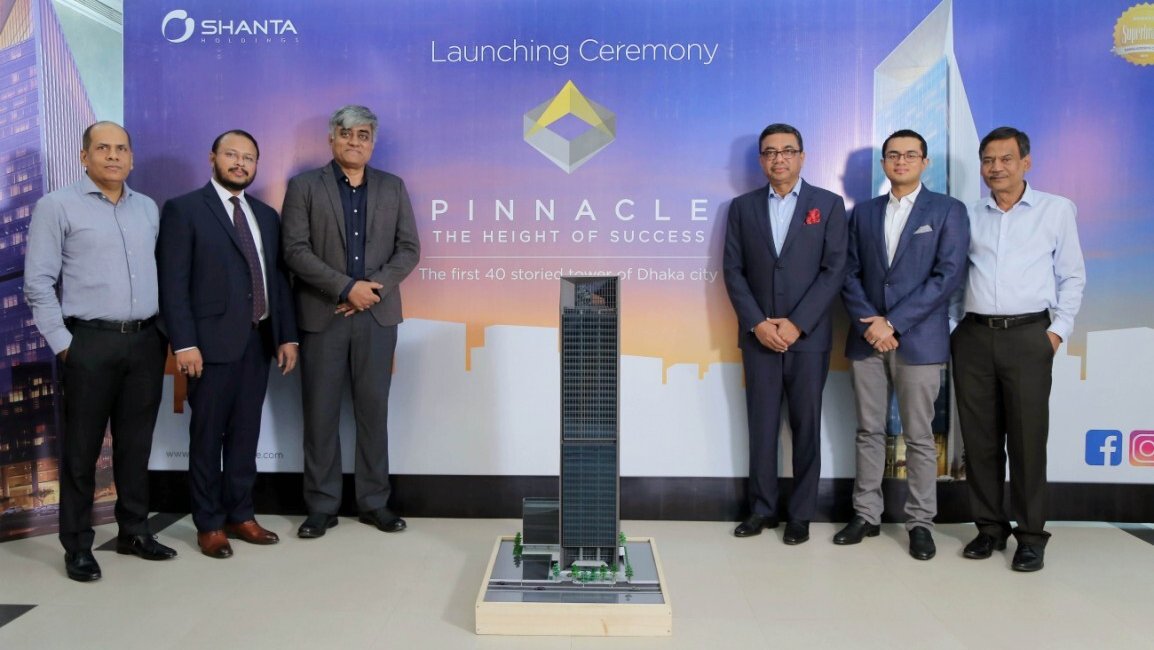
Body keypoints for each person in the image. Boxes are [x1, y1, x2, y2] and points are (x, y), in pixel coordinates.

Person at [24, 121, 177, 581]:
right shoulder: (56, 206)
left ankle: (134, 532)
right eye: (103, 148)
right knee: (81, 451)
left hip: (145, 341)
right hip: (88, 343)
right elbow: (37, 283)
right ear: (84, 156)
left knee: (136, 446)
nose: (113, 156)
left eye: (121, 149)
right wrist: (64, 345)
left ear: (132, 158)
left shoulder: (147, 208)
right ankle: (77, 546)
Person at [157, 130, 299, 559]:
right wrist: (184, 343)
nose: (240, 163)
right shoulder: (184, 209)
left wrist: (286, 335)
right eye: (232, 155)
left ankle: (241, 514)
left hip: (257, 343)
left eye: (249, 157)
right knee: (206, 439)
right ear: (212, 157)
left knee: (244, 435)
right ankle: (210, 523)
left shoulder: (266, 215)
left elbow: (277, 280)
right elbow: (173, 283)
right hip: (208, 347)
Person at [281, 105, 420, 538]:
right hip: (322, 316)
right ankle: (322, 506)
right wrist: (346, 288)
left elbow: (409, 249)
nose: (354, 141)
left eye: (363, 135)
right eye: (346, 134)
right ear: (331, 139)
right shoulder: (304, 186)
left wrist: (371, 289)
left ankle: (374, 502)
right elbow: (295, 250)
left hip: (377, 317)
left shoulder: (393, 187)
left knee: (372, 414)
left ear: (372, 143)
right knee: (320, 415)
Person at [952, 126, 1086, 572]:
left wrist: (1057, 332)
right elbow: (954, 276)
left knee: (1028, 440)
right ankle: (989, 528)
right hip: (973, 336)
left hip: (1030, 335)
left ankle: (1030, 536)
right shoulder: (968, 214)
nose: (996, 168)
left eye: (1006, 159)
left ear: (1026, 162)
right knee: (980, 440)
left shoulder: (1056, 210)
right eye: (988, 160)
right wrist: (954, 327)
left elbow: (1072, 276)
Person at [836, 129, 969, 560]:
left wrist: (892, 322)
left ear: (925, 162)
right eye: (893, 155)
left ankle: (920, 522)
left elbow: (947, 276)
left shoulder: (947, 210)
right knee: (868, 431)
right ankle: (866, 515)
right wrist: (872, 324)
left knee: (919, 436)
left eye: (911, 155)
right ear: (884, 163)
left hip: (920, 340)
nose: (901, 161)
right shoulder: (863, 213)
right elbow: (848, 272)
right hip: (868, 340)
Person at [723, 123, 848, 545]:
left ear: (802, 156)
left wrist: (797, 323)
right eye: (770, 152)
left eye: (788, 150)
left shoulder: (828, 205)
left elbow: (834, 270)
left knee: (805, 426)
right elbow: (734, 271)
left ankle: (800, 514)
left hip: (807, 338)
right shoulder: (742, 208)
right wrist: (758, 323)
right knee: (761, 425)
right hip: (758, 337)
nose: (779, 158)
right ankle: (761, 509)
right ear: (761, 160)